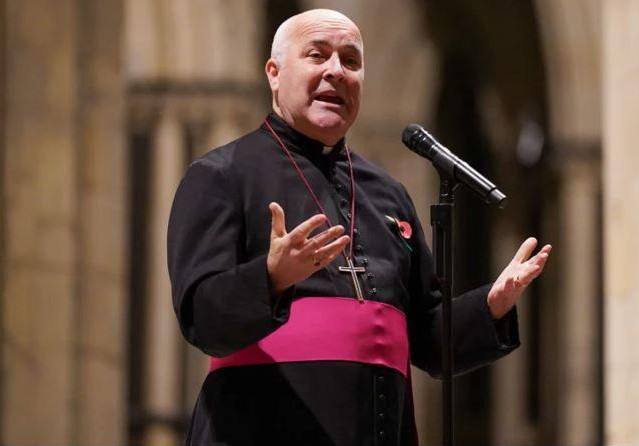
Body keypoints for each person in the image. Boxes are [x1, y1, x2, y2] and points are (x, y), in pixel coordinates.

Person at [167, 8, 551, 446]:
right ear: (274, 73)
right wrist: (270, 279)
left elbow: (427, 339)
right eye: (317, 55)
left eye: (351, 61)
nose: (336, 71)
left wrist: (490, 306)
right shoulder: (221, 175)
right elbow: (201, 319)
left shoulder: (387, 193)